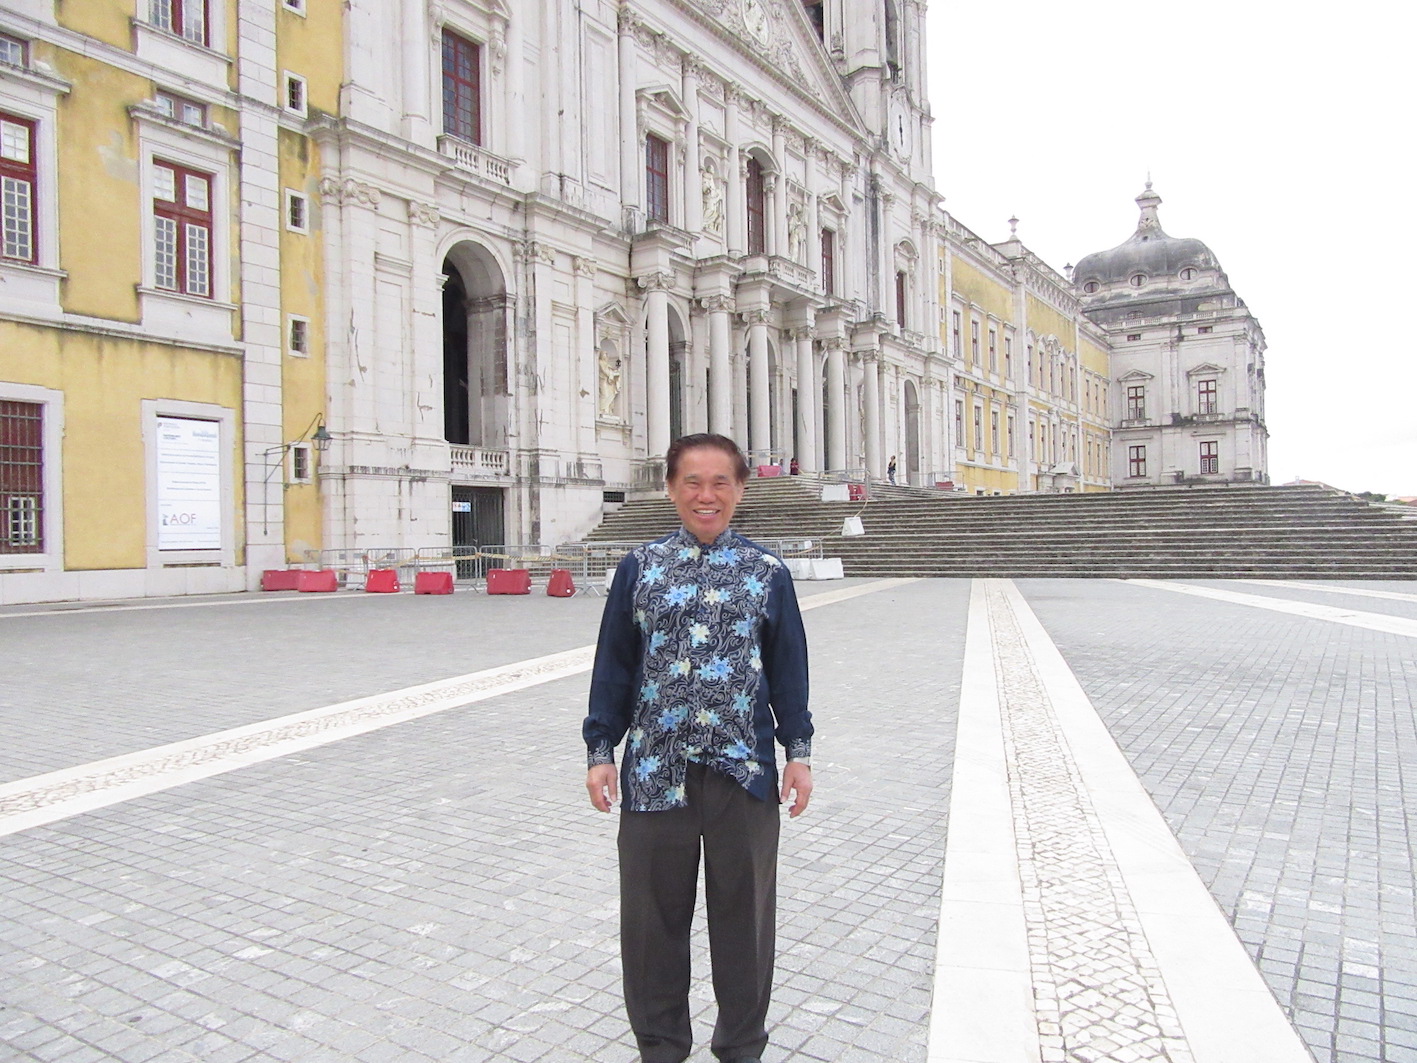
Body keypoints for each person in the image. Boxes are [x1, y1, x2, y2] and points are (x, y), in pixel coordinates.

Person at [584, 433, 814, 1063]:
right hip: (657, 772)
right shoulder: (640, 568)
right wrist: (601, 748)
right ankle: (660, 1047)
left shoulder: (767, 573)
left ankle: (741, 1045)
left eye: (720, 483)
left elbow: (788, 670)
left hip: (744, 774)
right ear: (671, 488)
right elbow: (615, 665)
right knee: (651, 925)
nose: (705, 496)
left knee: (745, 921)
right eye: (692, 482)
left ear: (740, 489)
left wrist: (798, 751)